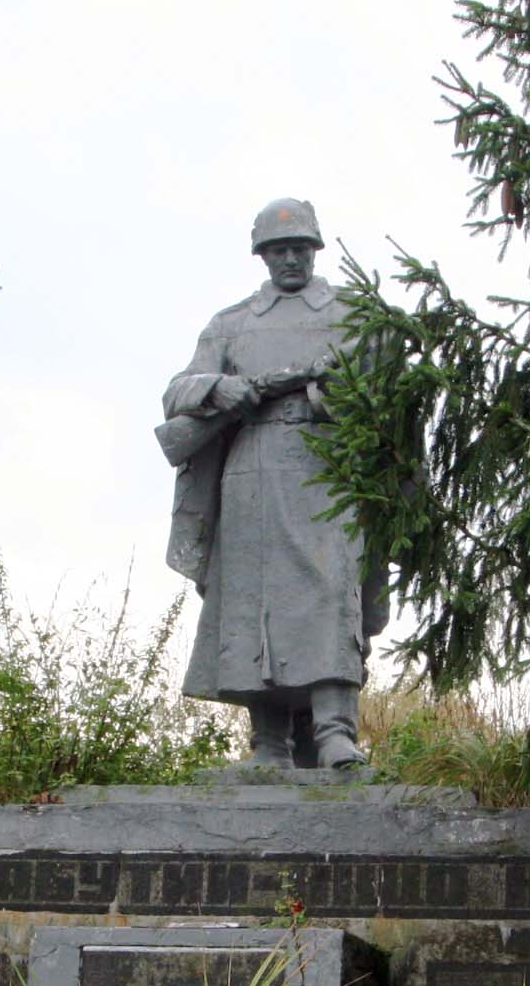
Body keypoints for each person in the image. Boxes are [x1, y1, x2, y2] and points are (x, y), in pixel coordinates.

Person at [158, 198, 386, 769]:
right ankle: (269, 744)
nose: (291, 259)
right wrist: (218, 390)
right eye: (279, 249)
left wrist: (322, 392)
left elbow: (386, 391)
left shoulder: (354, 314)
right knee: (252, 599)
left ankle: (336, 733)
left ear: (315, 250)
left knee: (332, 589)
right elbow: (177, 391)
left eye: (300, 248)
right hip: (250, 470)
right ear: (262, 255)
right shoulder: (231, 323)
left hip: (326, 466)